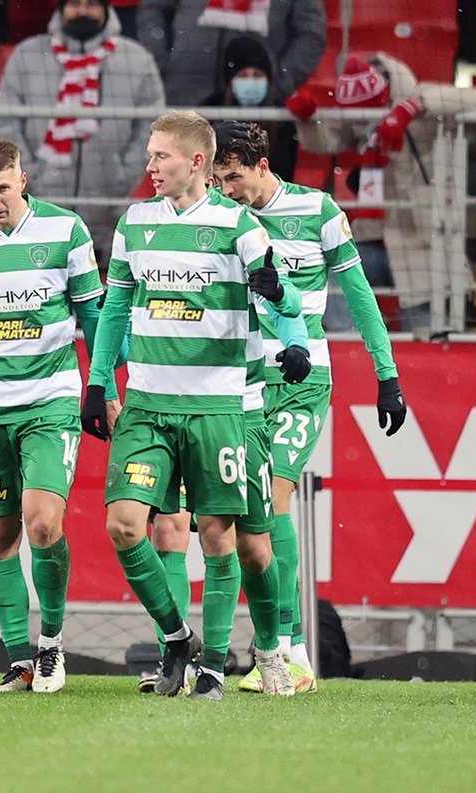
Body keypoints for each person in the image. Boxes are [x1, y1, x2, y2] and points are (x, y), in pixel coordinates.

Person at [81, 111, 305, 699]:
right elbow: (115, 309)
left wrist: (297, 341)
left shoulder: (239, 225)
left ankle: (257, 653)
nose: (150, 166)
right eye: (150, 154)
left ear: (196, 162)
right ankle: (180, 640)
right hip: (148, 405)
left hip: (221, 407)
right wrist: (98, 382)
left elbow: (280, 296)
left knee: (235, 543)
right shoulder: (134, 224)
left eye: (161, 156)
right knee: (124, 526)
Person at [210, 120, 407, 692]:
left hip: (304, 379)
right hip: (243, 382)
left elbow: (361, 297)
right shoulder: (220, 218)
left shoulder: (317, 211)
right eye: (218, 180)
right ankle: (279, 647)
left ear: (262, 166)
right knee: (247, 517)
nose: (227, 189)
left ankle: (289, 651)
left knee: (273, 499)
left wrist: (387, 376)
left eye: (234, 177)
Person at [0, 138, 121, 694]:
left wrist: (105, 385)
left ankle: (51, 644)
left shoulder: (65, 230)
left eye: (2, 189)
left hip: (50, 401)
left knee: (42, 523)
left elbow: (93, 314)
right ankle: (19, 661)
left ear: (23, 179)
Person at [285, 53, 476, 332]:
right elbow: (327, 142)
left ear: (384, 95)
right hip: (372, 236)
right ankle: (351, 348)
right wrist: (307, 120)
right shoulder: (360, 116)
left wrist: (412, 107)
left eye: (369, 112)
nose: (363, 124)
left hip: (421, 240)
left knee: (424, 334)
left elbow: (473, 98)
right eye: (357, 116)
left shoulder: (420, 100)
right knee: (331, 277)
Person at [0, 0, 164, 264]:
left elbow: (151, 127)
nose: (83, 11)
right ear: (61, 8)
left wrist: (122, 176)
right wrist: (31, 176)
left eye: (92, 4)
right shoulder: (28, 54)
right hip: (38, 211)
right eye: (75, 4)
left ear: (106, 9)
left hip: (109, 217)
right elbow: (5, 123)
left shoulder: (136, 58)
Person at [137, 0, 325, 106]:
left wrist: (279, 83)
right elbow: (152, 10)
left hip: (255, 105)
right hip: (183, 95)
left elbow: (310, 34)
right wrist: (161, 66)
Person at [202, 36, 297, 181]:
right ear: (230, 81)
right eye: (242, 75)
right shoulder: (210, 110)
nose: (250, 81)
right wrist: (211, 138)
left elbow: (286, 171)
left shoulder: (281, 117)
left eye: (257, 75)